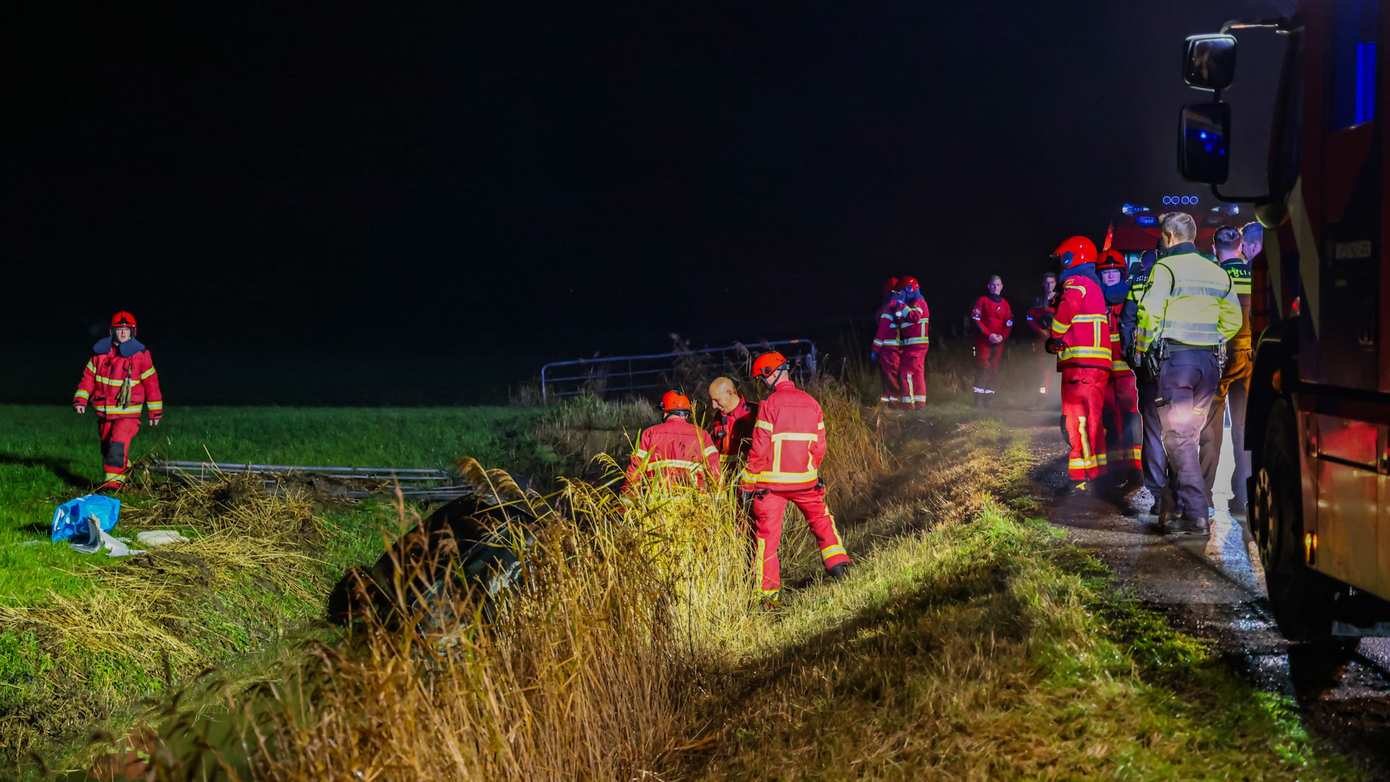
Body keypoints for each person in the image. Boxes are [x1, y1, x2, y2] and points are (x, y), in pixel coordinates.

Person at [1134, 212, 1243, 535]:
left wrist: (1142, 347)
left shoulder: (1165, 268)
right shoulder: (1216, 271)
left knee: (1178, 438)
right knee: (1189, 436)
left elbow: (1150, 311)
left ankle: (1196, 513)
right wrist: (1214, 337)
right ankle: (1179, 505)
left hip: (1177, 364)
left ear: (1168, 237)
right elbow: (1233, 319)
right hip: (1208, 366)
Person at [741, 352, 850, 605]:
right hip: (805, 481)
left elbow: (758, 449)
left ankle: (768, 597)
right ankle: (838, 565)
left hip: (771, 486)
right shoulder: (812, 403)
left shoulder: (769, 405)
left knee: (767, 539)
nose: (762, 382)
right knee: (822, 521)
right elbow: (820, 447)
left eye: (762, 377)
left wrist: (747, 482)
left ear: (771, 373)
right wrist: (810, 469)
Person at [1046, 237, 1112, 493]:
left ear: (1071, 258)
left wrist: (1055, 334)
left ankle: (1082, 473)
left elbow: (1068, 310)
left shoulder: (1076, 283)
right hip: (1095, 365)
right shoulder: (1092, 285)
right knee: (1092, 419)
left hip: (1081, 365)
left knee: (1079, 419)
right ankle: (1097, 469)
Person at [73, 311, 164, 491]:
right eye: (119, 329)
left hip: (127, 415)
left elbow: (151, 384)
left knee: (117, 445)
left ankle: (113, 486)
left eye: (126, 329)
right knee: (108, 449)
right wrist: (80, 399)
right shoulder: (99, 354)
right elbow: (88, 379)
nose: (123, 333)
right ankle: (127, 471)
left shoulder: (140, 355)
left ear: (133, 332)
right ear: (112, 331)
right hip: (104, 413)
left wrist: (155, 411)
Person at [1199, 225, 1255, 516]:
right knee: (1245, 429)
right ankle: (1244, 498)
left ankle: (1204, 496)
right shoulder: (1255, 274)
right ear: (1242, 246)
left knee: (1211, 427)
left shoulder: (1213, 276)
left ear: (1213, 248)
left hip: (1219, 356)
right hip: (1250, 356)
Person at [1097, 249, 1141, 491]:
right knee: (1110, 421)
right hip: (1104, 370)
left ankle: (1135, 469)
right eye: (1107, 273)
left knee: (1131, 418)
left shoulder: (1129, 296)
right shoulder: (1096, 299)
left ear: (1121, 273)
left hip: (1125, 370)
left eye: (1114, 272)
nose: (1111, 276)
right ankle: (1115, 470)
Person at [624, 390, 720, 490]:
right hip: (693, 501)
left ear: (665, 412)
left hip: (658, 501)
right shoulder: (702, 435)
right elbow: (714, 470)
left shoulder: (650, 433)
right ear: (687, 415)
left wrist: (628, 496)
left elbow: (635, 470)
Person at [970, 274, 1014, 406]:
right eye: (993, 285)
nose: (996, 287)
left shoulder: (1005, 304)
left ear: (1002, 287)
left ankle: (988, 400)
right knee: (983, 368)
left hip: (999, 342)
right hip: (984, 341)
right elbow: (976, 319)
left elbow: (1009, 322)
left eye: (998, 285)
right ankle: (978, 400)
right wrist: (988, 334)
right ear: (989, 286)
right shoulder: (982, 300)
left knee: (994, 369)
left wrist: (1002, 336)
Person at [707, 376, 759, 471]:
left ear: (729, 393)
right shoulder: (717, 418)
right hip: (725, 480)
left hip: (747, 477)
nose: (714, 406)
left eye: (717, 400)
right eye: (712, 400)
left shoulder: (755, 413)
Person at [897, 275, 930, 409]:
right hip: (914, 346)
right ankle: (919, 403)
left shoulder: (919, 302)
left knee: (906, 374)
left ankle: (908, 405)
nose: (901, 294)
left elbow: (914, 317)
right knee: (917, 374)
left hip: (915, 346)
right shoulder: (914, 304)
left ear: (910, 289)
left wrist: (900, 304)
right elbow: (902, 320)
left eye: (902, 291)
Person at [870, 277, 904, 406]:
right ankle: (888, 401)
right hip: (892, 349)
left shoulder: (888, 309)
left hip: (889, 349)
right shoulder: (897, 308)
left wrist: (874, 350)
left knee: (890, 375)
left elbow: (881, 333)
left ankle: (894, 403)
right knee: (888, 375)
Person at [1026, 272, 1059, 401]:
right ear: (1042, 284)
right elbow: (1029, 317)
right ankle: (1042, 398)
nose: (1049, 285)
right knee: (1042, 370)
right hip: (1042, 340)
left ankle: (1057, 399)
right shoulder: (1038, 300)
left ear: (1055, 283)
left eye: (1051, 282)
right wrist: (1040, 331)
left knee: (1059, 369)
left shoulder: (1061, 299)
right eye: (1046, 282)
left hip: (1058, 339)